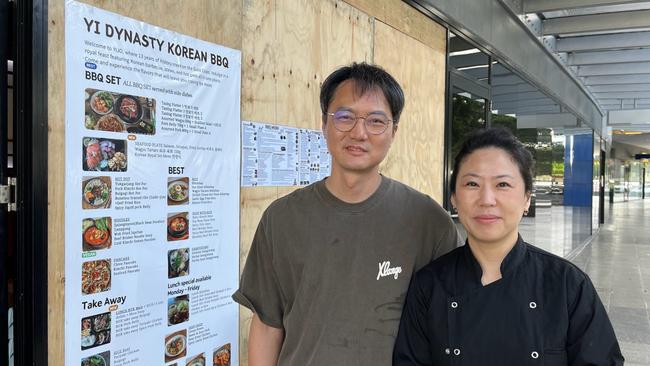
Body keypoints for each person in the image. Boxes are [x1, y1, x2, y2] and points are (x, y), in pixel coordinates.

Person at [232, 62, 459, 365]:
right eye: (344, 117)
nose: (359, 132)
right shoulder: (282, 218)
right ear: (324, 125)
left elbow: (449, 329)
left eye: (376, 121)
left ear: (394, 131)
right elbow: (267, 324)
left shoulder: (429, 223)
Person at [393, 127, 623, 365]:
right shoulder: (429, 286)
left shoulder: (567, 284)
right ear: (453, 198)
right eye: (472, 184)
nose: (487, 200)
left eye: (502, 184)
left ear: (526, 198)